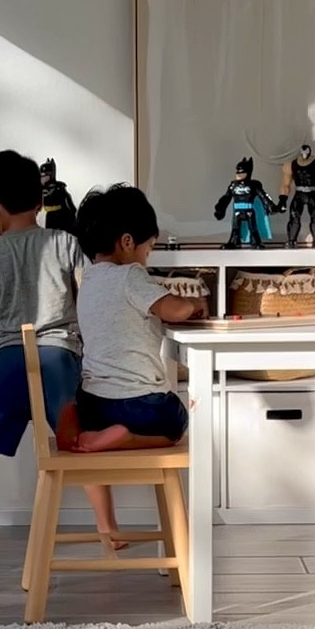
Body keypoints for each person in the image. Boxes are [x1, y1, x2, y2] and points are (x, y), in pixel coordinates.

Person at [0, 150, 121, 545]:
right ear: (39, 201)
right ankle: (108, 529)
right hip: (59, 358)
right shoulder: (66, 243)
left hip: (9, 361)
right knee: (79, 442)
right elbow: (88, 297)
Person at [64, 184, 206, 453]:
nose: (146, 258)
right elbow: (173, 310)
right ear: (128, 243)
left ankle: (102, 431)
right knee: (177, 419)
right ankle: (128, 437)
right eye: (149, 249)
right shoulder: (130, 275)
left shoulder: (89, 280)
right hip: (136, 407)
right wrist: (194, 303)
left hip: (93, 406)